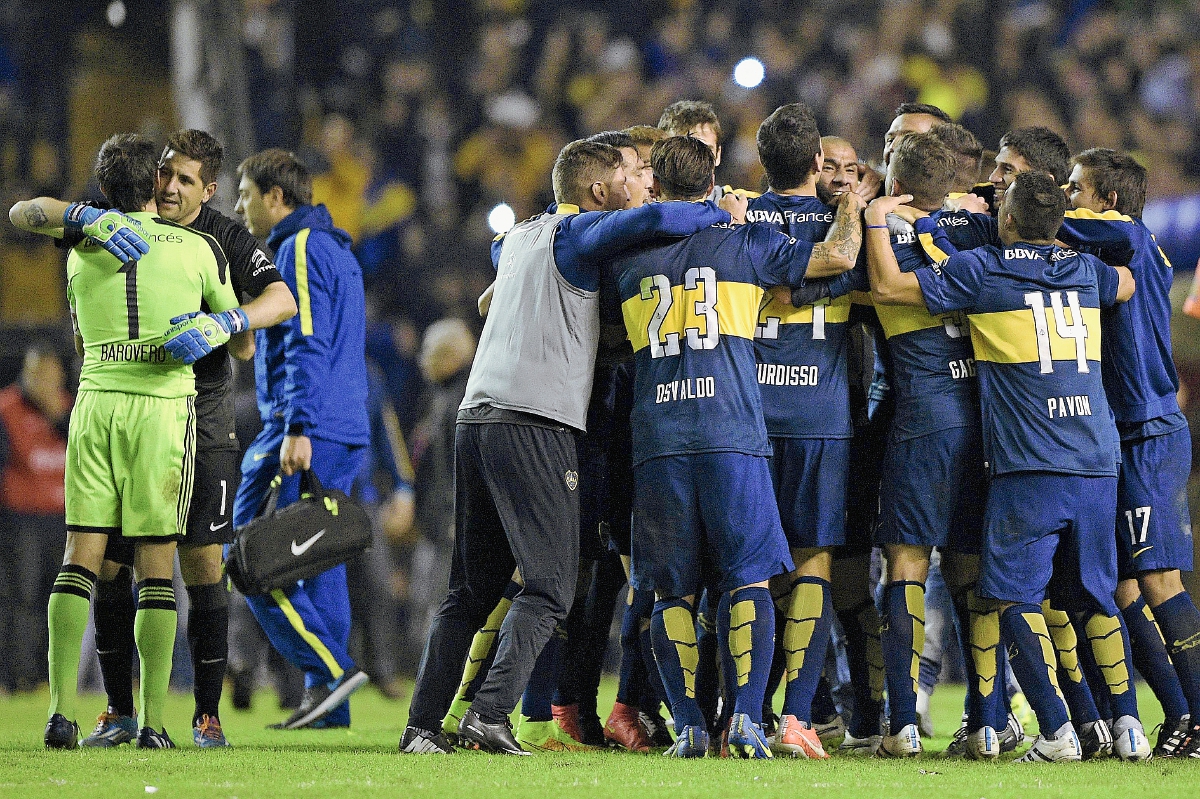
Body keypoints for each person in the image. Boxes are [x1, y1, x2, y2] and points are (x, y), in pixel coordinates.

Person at [399, 139, 730, 756]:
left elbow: (504, 256)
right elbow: (659, 218)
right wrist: (718, 209)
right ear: (599, 193)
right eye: (635, 173)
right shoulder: (579, 233)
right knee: (552, 586)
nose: (646, 183)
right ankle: (489, 716)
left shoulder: (520, 236)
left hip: (478, 418)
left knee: (471, 590)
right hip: (535, 421)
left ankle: (421, 726)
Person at [11, 129, 297, 748]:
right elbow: (29, 210)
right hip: (164, 409)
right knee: (136, 566)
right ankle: (134, 717)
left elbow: (278, 301)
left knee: (162, 561)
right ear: (152, 180)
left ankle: (176, 713)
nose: (170, 187)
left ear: (206, 189)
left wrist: (231, 321)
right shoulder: (174, 246)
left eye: (184, 180)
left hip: (159, 411)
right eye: (164, 176)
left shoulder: (202, 239)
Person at [867, 170, 1151, 762]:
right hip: (1097, 457)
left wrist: (891, 222)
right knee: (1099, 594)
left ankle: (1057, 730)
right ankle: (1129, 726)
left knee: (1012, 595)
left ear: (1009, 219)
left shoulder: (985, 271)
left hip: (1030, 461)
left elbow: (894, 286)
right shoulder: (1087, 271)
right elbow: (1127, 279)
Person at [605, 135, 857, 759]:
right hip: (731, 435)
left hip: (658, 439)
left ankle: (689, 724)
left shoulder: (628, 251)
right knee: (749, 580)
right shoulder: (746, 241)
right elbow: (837, 255)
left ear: (656, 190)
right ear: (710, 183)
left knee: (672, 590)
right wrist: (851, 203)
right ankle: (745, 720)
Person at [1061, 148, 1200, 758]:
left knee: (1159, 577)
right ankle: (1178, 715)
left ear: (1108, 201)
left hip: (1150, 431)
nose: (1066, 198)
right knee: (1121, 585)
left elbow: (1044, 224)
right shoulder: (1121, 242)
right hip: (1120, 432)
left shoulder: (1126, 234)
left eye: (1075, 188)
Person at [231, 148, 371, 731]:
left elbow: (307, 341)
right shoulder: (338, 249)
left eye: (244, 194)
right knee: (319, 561)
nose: (238, 206)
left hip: (305, 426)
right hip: (340, 425)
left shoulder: (300, 248)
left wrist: (297, 426)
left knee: (249, 552)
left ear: (274, 197)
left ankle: (330, 670)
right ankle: (325, 704)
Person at [746, 103, 865, 759]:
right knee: (813, 562)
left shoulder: (738, 220)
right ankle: (797, 716)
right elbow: (852, 264)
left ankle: (744, 709)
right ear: (819, 164)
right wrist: (854, 201)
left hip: (753, 419)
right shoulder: (848, 226)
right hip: (822, 419)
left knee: (750, 568)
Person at [0, 346, 70, 692]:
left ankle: (49, 676)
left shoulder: (69, 409)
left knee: (56, 601)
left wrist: (57, 418)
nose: (46, 382)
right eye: (38, 374)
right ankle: (18, 676)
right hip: (22, 520)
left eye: (51, 374)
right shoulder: (6, 408)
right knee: (22, 598)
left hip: (63, 519)